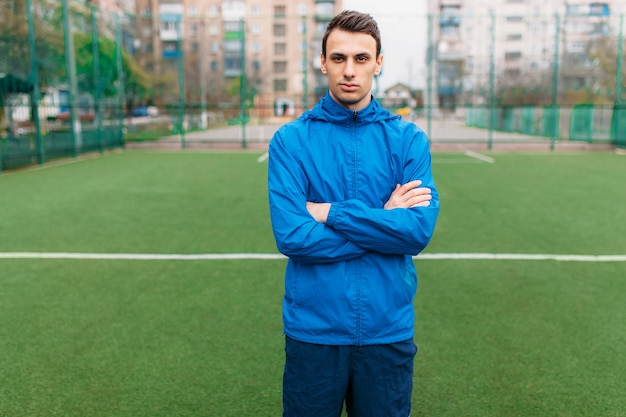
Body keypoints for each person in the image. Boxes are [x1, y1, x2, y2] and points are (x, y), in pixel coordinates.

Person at [267, 10, 440, 417]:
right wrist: (384, 219)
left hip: (386, 331)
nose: (350, 70)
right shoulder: (291, 141)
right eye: (339, 58)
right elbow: (292, 236)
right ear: (322, 62)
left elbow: (416, 232)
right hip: (314, 332)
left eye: (362, 58)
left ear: (379, 63)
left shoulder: (408, 140)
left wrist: (330, 212)